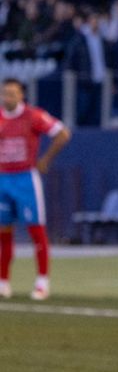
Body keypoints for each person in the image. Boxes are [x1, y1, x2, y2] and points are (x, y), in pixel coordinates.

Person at [0, 77, 70, 300]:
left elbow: (62, 133)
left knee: (35, 229)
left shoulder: (33, 116)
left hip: (25, 179)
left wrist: (45, 160)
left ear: (21, 95)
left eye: (12, 93)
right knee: (3, 232)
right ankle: (3, 281)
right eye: (4, 93)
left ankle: (42, 282)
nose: (7, 98)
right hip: (3, 178)